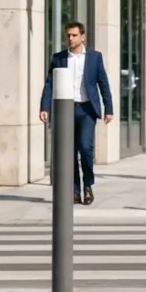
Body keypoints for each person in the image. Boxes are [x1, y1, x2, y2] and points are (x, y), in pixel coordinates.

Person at [39, 22, 114, 205]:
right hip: (66, 110)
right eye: (68, 36)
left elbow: (103, 83)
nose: (70, 39)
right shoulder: (59, 58)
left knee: (85, 147)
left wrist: (109, 108)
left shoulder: (95, 57)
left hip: (87, 109)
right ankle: (74, 190)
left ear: (82, 36)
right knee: (70, 152)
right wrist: (44, 107)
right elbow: (49, 83)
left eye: (74, 35)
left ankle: (88, 184)